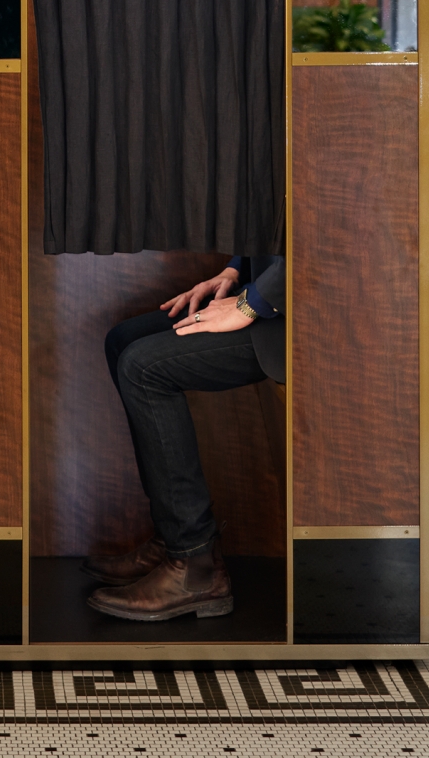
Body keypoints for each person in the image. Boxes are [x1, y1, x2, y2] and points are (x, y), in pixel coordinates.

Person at [85, 254, 284, 622]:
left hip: (303, 309)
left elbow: (327, 232)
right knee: (123, 340)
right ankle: (170, 534)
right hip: (271, 287)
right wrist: (236, 269)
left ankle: (195, 563)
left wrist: (253, 301)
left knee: (143, 367)